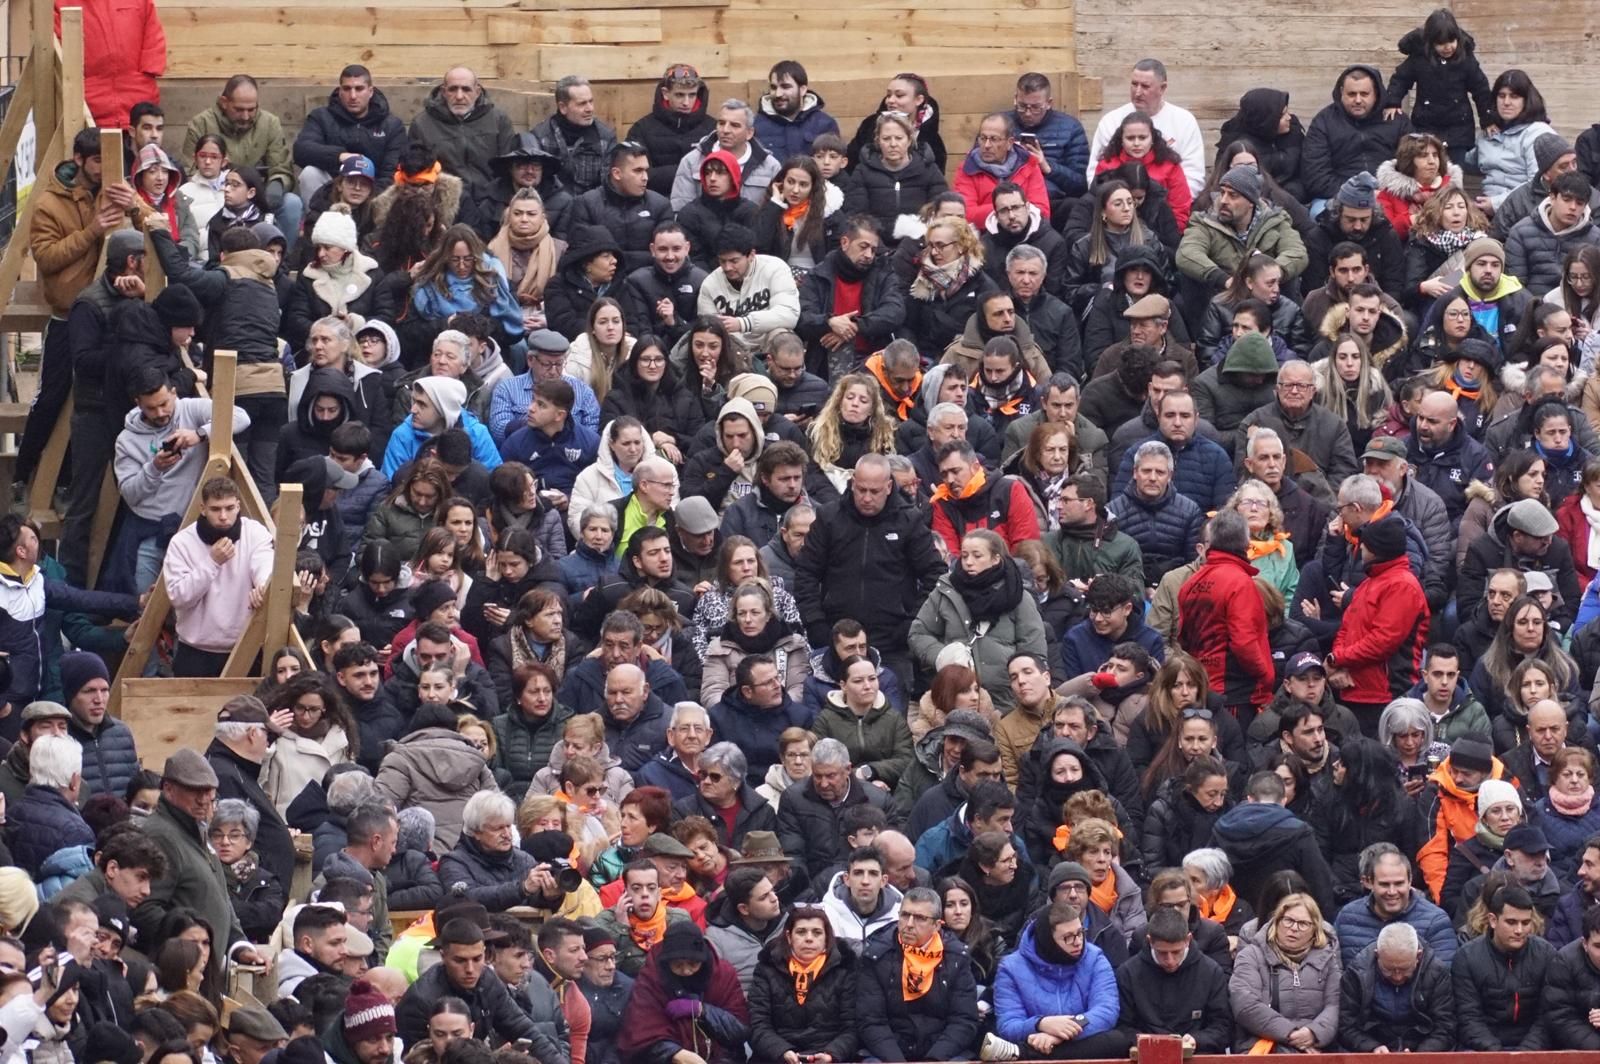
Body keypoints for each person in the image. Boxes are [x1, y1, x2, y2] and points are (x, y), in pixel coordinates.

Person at [182, 76, 301, 246]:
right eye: (239, 109)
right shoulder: (200, 124)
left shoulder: (269, 123)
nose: (246, 116)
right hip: (217, 193)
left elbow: (281, 166)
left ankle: (280, 260)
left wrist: (276, 186)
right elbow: (191, 170)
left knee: (292, 203)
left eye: (252, 109)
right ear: (224, 102)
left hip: (260, 196)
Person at [1177, 165, 1308, 300]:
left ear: (1251, 202)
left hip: (1267, 298)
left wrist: (1267, 276)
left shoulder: (1275, 221)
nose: (1223, 200)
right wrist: (1226, 280)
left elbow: (1297, 253)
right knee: (1190, 277)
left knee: (1290, 278)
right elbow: (1187, 253)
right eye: (1222, 192)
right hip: (1222, 297)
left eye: (1233, 195)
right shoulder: (1204, 222)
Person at [1113, 906, 1233, 1053]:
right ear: (1150, 941)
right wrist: (1144, 1041)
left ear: (1188, 939)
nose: (1170, 960)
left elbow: (1223, 1026)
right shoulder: (1128, 973)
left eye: (1176, 952)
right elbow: (1121, 1026)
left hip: (1197, 1054)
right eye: (1162, 953)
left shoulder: (1211, 972)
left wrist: (1197, 1040)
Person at [1451, 883, 1553, 1048]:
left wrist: (1525, 1054)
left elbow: (1547, 1015)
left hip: (1534, 1050)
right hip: (1482, 1050)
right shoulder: (1467, 957)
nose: (1519, 930)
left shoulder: (1546, 954)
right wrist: (1497, 1055)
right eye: (1511, 922)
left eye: (1525, 923)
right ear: (1493, 920)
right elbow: (1469, 1018)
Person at [1086, 60, 1204, 195]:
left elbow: (1194, 177)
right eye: (1134, 84)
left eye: (1145, 86)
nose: (1137, 92)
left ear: (1163, 88)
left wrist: (1161, 208)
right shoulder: (1110, 121)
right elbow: (1094, 174)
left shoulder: (1184, 121)